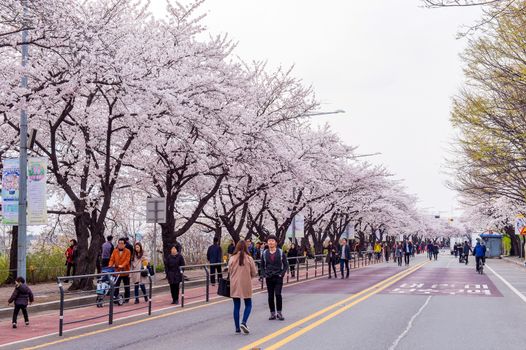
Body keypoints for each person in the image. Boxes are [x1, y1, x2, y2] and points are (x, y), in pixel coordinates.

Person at [228, 240, 257, 334]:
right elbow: (254, 272)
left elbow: (229, 271)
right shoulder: (249, 258)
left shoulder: (232, 258)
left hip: (234, 284)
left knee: (236, 306)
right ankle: (244, 322)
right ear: (246, 248)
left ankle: (237, 328)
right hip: (246, 284)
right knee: (248, 304)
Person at [261, 235, 289, 321]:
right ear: (267, 243)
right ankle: (272, 313)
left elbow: (286, 264)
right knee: (270, 296)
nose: (270, 242)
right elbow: (262, 265)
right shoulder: (265, 253)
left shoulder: (280, 252)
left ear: (276, 243)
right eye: (269, 241)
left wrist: (282, 274)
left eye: (272, 241)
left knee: (278, 294)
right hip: (269, 277)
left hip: (278, 277)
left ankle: (279, 313)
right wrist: (264, 274)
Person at [109, 238, 131, 303]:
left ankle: (127, 299)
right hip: (117, 271)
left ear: (124, 244)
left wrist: (122, 265)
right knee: (116, 285)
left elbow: (127, 260)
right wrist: (110, 265)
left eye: (122, 243)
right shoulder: (115, 251)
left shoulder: (128, 251)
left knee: (126, 285)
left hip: (125, 271)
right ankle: (115, 298)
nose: (120, 245)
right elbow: (112, 259)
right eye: (119, 243)